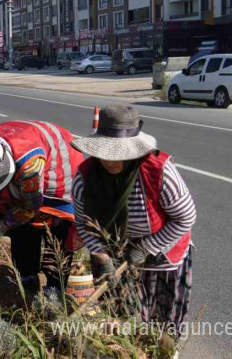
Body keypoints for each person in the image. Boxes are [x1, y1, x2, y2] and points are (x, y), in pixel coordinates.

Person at [71, 105, 195, 340]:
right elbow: (83, 224)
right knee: (123, 317)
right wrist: (103, 256)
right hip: (113, 254)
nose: (109, 160)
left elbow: (186, 217)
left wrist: (144, 248)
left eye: (118, 153)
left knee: (161, 321)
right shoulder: (86, 177)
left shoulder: (158, 172)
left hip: (162, 253)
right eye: (105, 152)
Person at [0, 120, 84, 289]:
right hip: (27, 162)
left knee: (56, 232)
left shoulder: (29, 166)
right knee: (22, 230)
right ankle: (27, 278)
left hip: (59, 177)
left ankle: (55, 287)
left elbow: (30, 208)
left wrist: (0, 227)